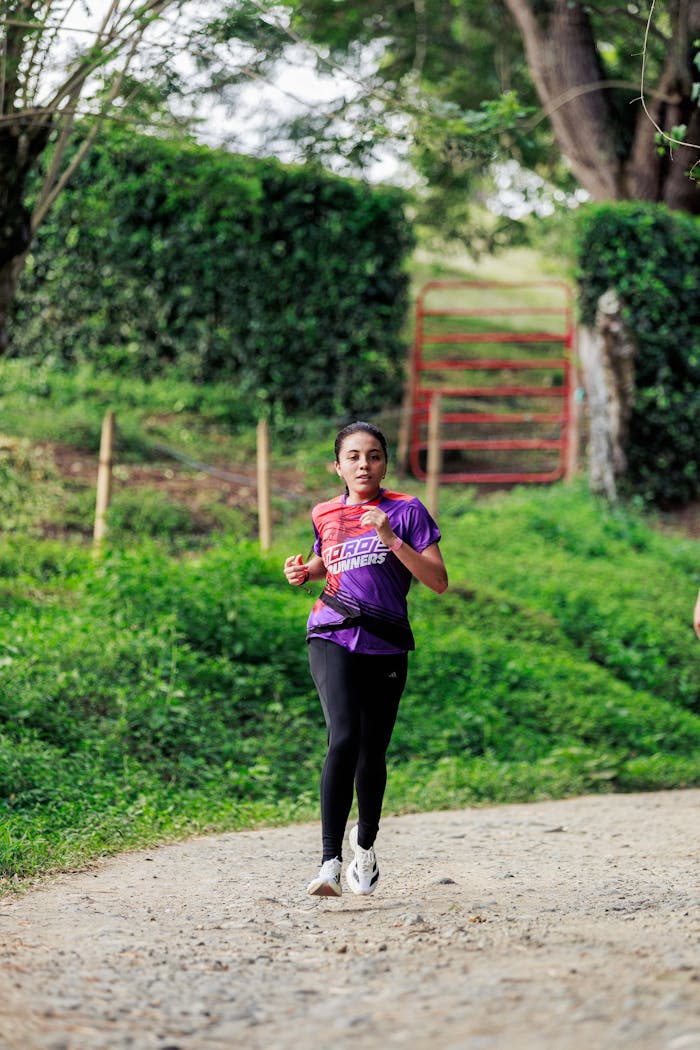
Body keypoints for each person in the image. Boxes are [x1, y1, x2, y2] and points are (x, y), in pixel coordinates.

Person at [284, 420, 448, 898]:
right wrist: (302, 572)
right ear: (338, 466)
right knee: (345, 735)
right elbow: (323, 563)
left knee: (372, 749)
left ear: (384, 463)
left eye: (373, 456)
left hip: (387, 639)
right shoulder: (325, 513)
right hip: (331, 632)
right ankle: (329, 862)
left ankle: (366, 848)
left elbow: (438, 580)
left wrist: (393, 540)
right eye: (353, 457)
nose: (363, 464)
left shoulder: (406, 511)